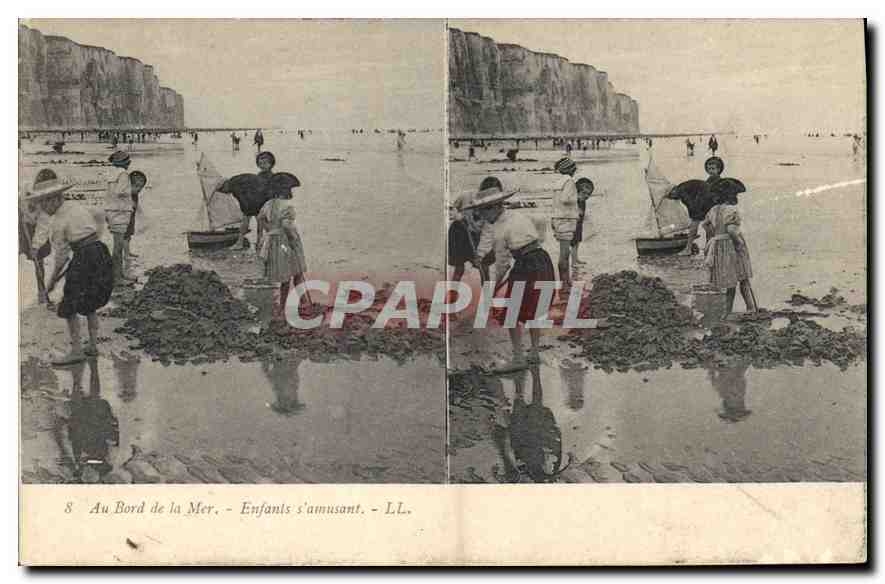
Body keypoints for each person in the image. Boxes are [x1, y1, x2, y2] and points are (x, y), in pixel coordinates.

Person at [26, 170, 113, 366]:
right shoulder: (77, 207)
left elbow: (61, 258)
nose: (41, 208)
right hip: (100, 251)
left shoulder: (58, 222)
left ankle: (76, 351)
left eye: (43, 203)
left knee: (69, 306)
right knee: (90, 303)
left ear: (54, 199)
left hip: (85, 257)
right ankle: (92, 345)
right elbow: (98, 221)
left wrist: (50, 284)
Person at [469, 177, 555, 368]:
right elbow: (539, 234)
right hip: (543, 260)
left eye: (483, 212)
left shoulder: (501, 229)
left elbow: (502, 264)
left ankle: (518, 357)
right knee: (536, 309)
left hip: (526, 264)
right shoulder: (519, 216)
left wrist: (494, 286)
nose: (483, 217)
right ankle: (534, 352)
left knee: (511, 313)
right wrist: (482, 254)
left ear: (494, 207)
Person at [256, 170, 309, 323]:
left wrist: (270, 230)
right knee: (296, 273)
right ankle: (298, 303)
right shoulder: (287, 206)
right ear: (287, 190)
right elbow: (287, 226)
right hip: (286, 243)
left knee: (286, 276)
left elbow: (260, 218)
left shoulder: (268, 204)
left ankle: (291, 305)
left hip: (274, 241)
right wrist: (293, 241)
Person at [702, 183, 758, 315]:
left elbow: (705, 225)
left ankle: (727, 312)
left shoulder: (713, 209)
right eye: (736, 194)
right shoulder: (731, 210)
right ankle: (751, 308)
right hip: (731, 247)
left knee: (730, 282)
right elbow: (732, 230)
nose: (737, 197)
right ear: (730, 196)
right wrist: (739, 243)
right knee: (743, 279)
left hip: (720, 246)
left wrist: (715, 237)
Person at [448, 185, 490, 292]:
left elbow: (485, 232)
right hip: (458, 233)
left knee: (484, 267)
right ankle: (451, 296)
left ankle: (487, 298)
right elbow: (451, 208)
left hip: (475, 235)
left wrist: (480, 254)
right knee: (459, 268)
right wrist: (457, 215)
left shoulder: (489, 208)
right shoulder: (465, 195)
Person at [19, 176, 53, 306]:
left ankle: (42, 293)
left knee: (39, 260)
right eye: (30, 201)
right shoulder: (23, 189)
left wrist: (35, 246)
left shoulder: (45, 205)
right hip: (20, 224)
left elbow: (43, 228)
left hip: (35, 228)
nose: (32, 204)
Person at [104, 150, 134, 284]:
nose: (129, 164)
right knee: (118, 246)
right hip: (120, 212)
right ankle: (117, 277)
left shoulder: (112, 174)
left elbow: (112, 192)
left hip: (112, 210)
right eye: (128, 161)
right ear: (124, 163)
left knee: (118, 245)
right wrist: (131, 190)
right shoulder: (123, 174)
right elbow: (120, 191)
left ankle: (120, 274)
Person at [550, 157, 579, 291]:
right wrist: (577, 197)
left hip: (557, 218)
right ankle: (565, 282)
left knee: (563, 252)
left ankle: (565, 281)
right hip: (566, 219)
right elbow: (566, 199)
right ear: (571, 170)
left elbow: (557, 201)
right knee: (564, 253)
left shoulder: (558, 182)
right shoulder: (569, 181)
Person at [122, 171, 147, 278]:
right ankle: (126, 254)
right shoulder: (126, 194)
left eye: (141, 187)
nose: (139, 189)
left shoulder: (135, 194)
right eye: (137, 187)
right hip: (124, 218)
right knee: (125, 236)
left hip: (131, 217)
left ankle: (128, 251)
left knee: (129, 235)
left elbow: (136, 205)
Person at [570, 178, 594, 268]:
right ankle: (573, 262)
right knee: (573, 243)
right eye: (584, 193)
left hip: (579, 224)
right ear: (577, 192)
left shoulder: (583, 201)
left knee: (577, 242)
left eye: (588, 194)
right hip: (573, 224)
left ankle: (576, 259)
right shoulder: (574, 200)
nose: (586, 196)